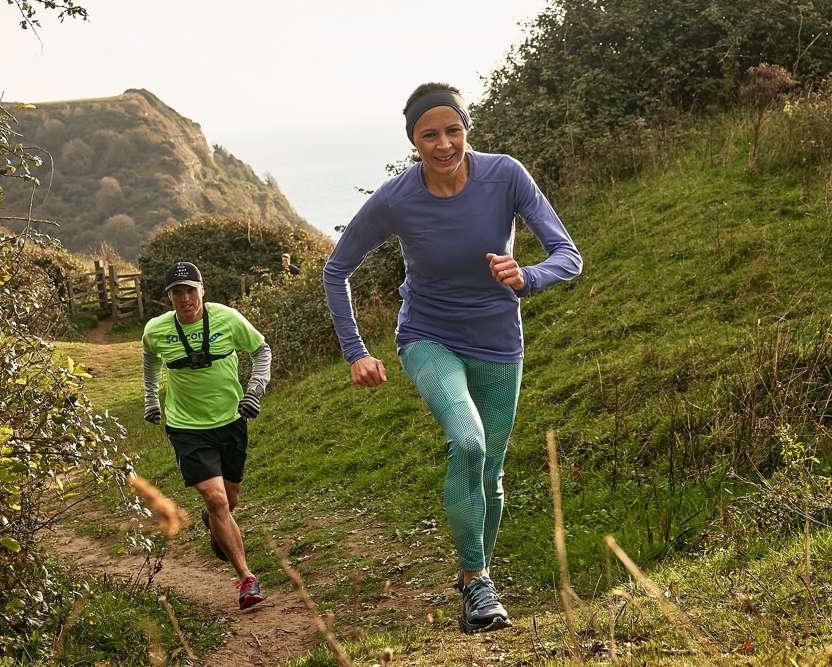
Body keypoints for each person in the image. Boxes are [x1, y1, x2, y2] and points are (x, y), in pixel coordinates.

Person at [322, 82, 582, 634]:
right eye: (429, 134)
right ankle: (480, 579)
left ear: (467, 128)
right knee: (467, 441)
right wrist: (356, 352)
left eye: (454, 130)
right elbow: (335, 269)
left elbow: (568, 255)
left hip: (499, 342)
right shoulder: (396, 199)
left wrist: (527, 277)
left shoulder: (505, 175)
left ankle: (472, 582)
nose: (444, 144)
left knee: (491, 471)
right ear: (413, 140)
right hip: (427, 337)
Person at [142, 261, 272, 610]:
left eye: (190, 290)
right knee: (215, 499)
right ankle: (247, 579)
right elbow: (150, 359)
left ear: (202, 290)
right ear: (169, 297)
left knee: (230, 501)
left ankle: (214, 521)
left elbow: (262, 350)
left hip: (231, 420)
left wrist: (254, 390)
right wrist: (151, 398)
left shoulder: (228, 319)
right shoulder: (156, 330)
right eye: (177, 292)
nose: (185, 298)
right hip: (186, 427)